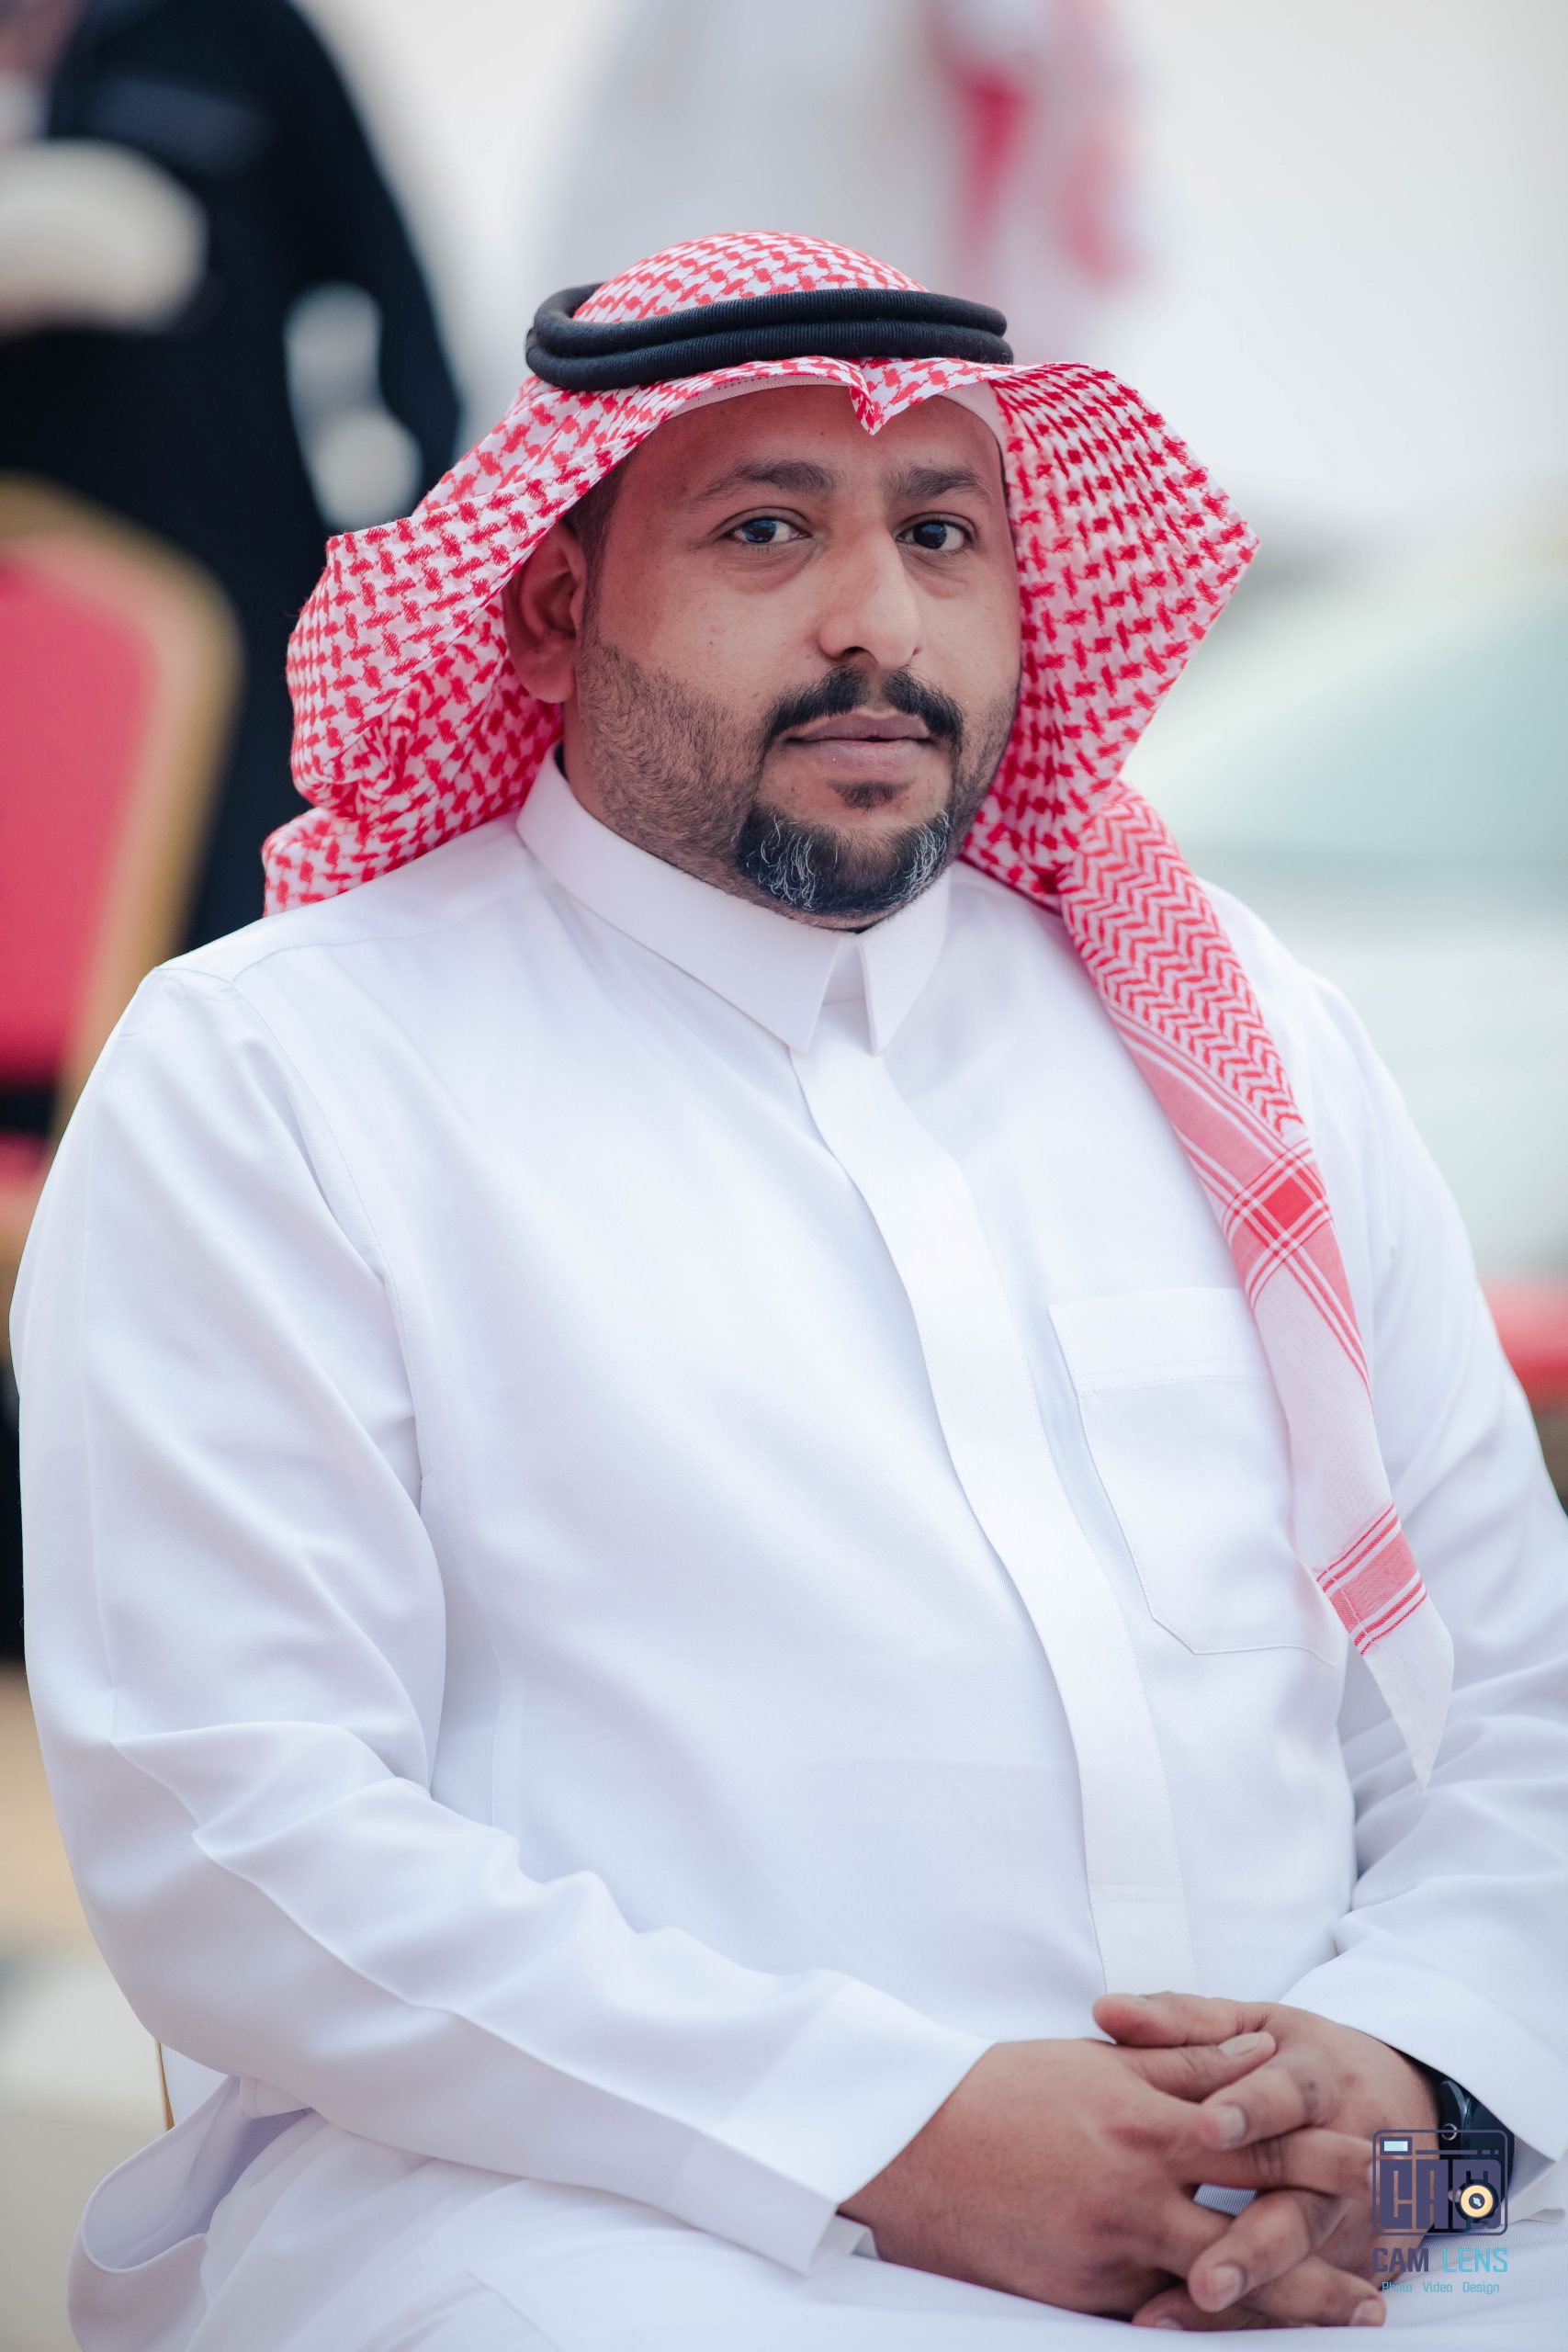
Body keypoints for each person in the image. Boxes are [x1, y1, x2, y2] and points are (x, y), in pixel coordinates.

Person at [14, 233, 1568, 2349]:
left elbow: (1505, 1686)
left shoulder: (1236, 1036)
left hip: (1332, 2213)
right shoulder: (284, 1075)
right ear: (547, 607)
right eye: (767, 530)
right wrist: (894, 2127)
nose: (878, 622)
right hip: (635, 2223)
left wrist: (1407, 2089)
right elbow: (240, 1827)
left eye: (939, 533)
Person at [0, 0, 459, 951]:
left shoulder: (239, 34)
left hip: (224, 577)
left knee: (228, 904)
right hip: (24, 582)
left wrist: (397, 564)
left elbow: (387, 288)